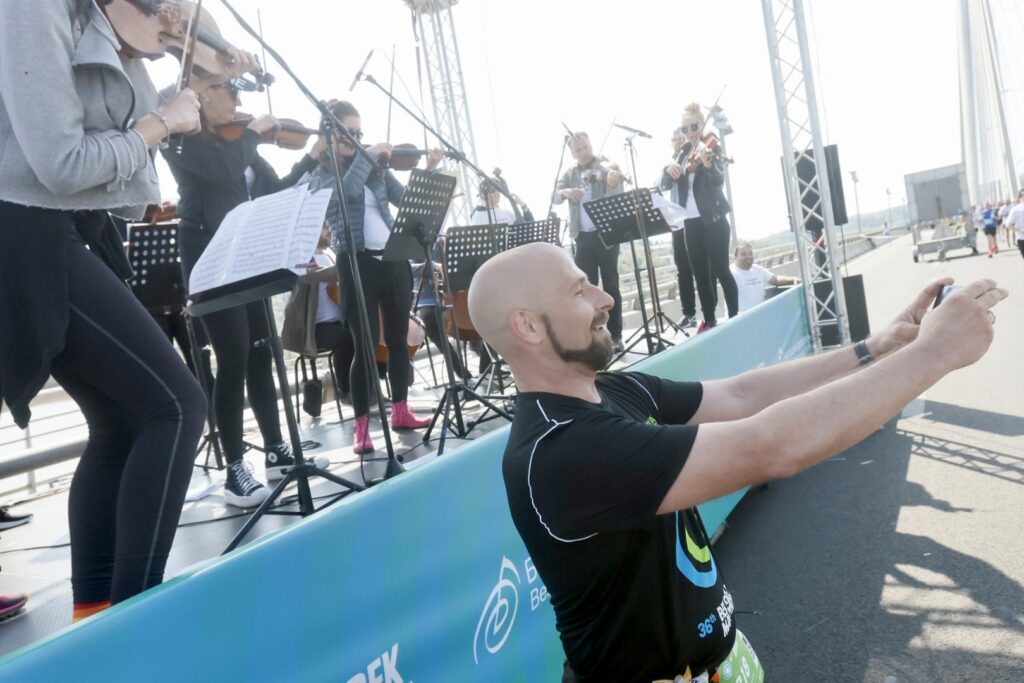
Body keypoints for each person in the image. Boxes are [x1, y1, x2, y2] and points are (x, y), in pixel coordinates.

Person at [466, 241, 1006, 681]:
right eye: (579, 289)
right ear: (528, 327)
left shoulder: (611, 390)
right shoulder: (563, 452)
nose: (606, 296)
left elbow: (743, 396)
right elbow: (771, 444)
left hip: (719, 661)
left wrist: (875, 347)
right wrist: (934, 354)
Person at [0, 0, 227, 621]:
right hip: (26, 226)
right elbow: (62, 163)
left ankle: (94, 616)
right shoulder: (30, 8)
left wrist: (176, 52)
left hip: (69, 227)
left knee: (121, 422)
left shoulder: (91, 18)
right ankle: (137, 621)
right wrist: (158, 123)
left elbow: (122, 125)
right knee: (177, 405)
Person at [162, 80, 329, 508]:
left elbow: (277, 191)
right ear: (201, 98)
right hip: (211, 257)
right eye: (228, 92)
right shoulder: (181, 140)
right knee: (232, 357)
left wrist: (311, 159)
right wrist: (254, 132)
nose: (238, 101)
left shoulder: (239, 142)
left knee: (261, 352)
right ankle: (235, 468)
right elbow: (223, 174)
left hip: (249, 252)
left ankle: (274, 449)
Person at [305, 101, 443, 454]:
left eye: (359, 132)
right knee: (364, 346)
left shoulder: (378, 171)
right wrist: (367, 156)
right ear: (332, 134)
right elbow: (346, 193)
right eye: (349, 130)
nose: (356, 138)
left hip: (392, 259)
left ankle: (400, 409)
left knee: (397, 341)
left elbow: (407, 200)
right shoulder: (324, 175)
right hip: (357, 263)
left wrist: (428, 171)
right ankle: (362, 426)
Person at [664, 103, 738, 333]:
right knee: (700, 276)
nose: (690, 132)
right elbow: (664, 183)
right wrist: (670, 170)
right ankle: (709, 320)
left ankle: (735, 316)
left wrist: (708, 164)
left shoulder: (710, 148)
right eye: (684, 128)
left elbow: (717, 180)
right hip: (691, 223)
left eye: (694, 126)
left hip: (713, 219)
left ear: (702, 123)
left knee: (720, 269)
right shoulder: (681, 154)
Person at [554, 132, 626, 351]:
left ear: (591, 144)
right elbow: (554, 196)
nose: (583, 153)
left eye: (585, 147)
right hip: (582, 236)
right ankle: (593, 336)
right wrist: (566, 192)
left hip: (605, 235)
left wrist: (612, 181)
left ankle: (616, 335)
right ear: (572, 153)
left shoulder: (605, 164)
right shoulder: (569, 173)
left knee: (611, 284)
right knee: (586, 289)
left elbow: (616, 187)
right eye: (578, 150)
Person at [282, 225, 356, 402]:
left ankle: (369, 388)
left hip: (339, 322)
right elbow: (306, 277)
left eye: (329, 227)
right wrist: (344, 268)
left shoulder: (331, 254)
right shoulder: (301, 257)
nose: (329, 231)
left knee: (365, 332)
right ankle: (346, 391)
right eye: (324, 227)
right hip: (315, 329)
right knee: (347, 339)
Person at [659, 127, 699, 328]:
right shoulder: (670, 164)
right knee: (683, 270)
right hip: (678, 222)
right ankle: (689, 314)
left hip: (697, 220)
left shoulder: (696, 154)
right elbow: (662, 184)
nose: (678, 140)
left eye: (681, 137)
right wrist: (669, 170)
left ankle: (711, 313)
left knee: (703, 267)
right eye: (674, 138)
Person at [730, 241, 800, 312]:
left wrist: (794, 279)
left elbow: (775, 280)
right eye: (743, 254)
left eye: (750, 254)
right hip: (742, 318)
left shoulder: (757, 269)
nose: (748, 257)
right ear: (735, 258)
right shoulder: (731, 273)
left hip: (762, 315)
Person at [1005, 191, 1024, 261]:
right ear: (1020, 197)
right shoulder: (1016, 209)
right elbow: (1008, 224)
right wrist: (1019, 230)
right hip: (1022, 238)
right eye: (1023, 195)